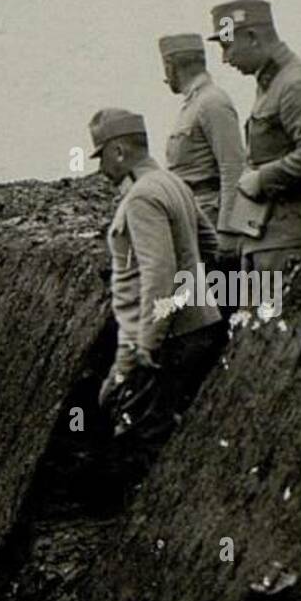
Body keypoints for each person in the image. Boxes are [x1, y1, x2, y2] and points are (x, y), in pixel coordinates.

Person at [89, 108, 223, 466]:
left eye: (102, 155)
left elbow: (158, 273)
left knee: (144, 435)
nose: (101, 168)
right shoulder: (174, 183)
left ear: (118, 151)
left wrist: (149, 340)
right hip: (200, 328)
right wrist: (192, 291)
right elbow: (210, 246)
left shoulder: (141, 198)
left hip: (168, 337)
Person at [207, 0, 301, 274]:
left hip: (296, 242)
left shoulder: (295, 83)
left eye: (227, 46)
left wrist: (264, 178)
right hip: (274, 240)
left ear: (252, 37)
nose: (225, 58)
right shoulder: (271, 84)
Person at [158, 32, 248, 268]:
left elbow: (233, 168)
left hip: (211, 225)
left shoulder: (212, 102)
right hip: (193, 221)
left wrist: (228, 230)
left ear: (170, 67)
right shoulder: (195, 104)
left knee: (219, 301)